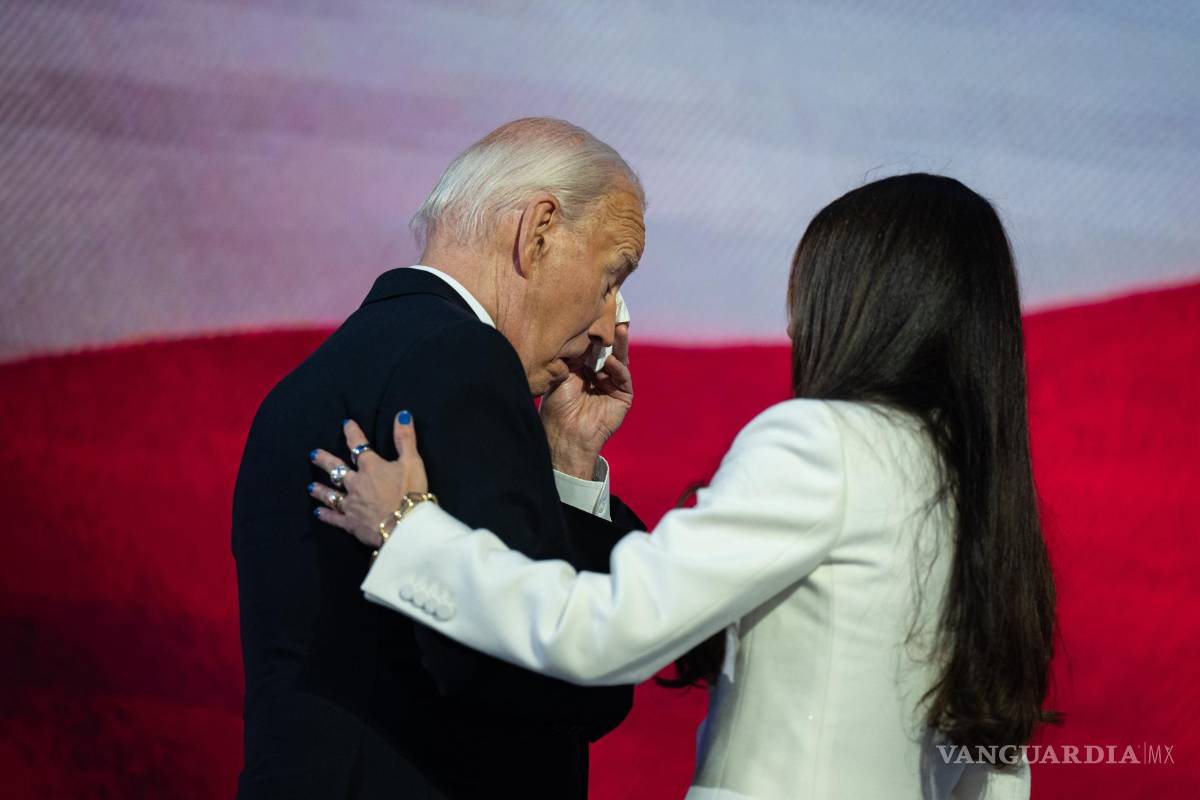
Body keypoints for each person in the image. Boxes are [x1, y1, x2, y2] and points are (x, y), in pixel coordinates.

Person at [308, 173, 1060, 799]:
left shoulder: (824, 443)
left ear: (858, 301)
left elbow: (605, 629)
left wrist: (409, 531)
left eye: (807, 289)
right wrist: (569, 455)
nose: (797, 323)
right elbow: (992, 765)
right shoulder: (967, 482)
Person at [232, 117, 647, 799]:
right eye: (611, 277)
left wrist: (567, 459)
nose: (609, 326)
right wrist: (610, 659)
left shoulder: (315, 380)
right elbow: (530, 663)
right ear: (537, 230)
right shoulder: (463, 357)